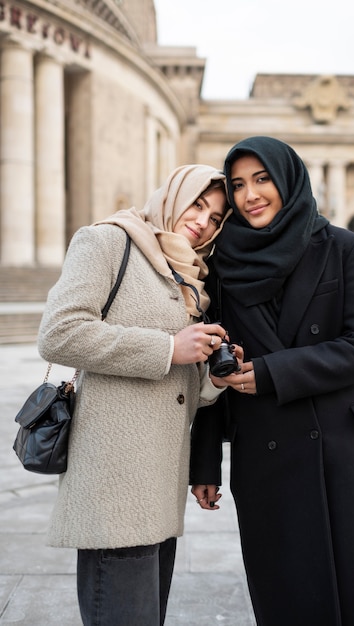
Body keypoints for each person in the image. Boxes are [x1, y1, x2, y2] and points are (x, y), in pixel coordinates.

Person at [190, 137, 354, 626]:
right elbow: (211, 361)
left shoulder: (342, 247)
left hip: (347, 447)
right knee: (290, 588)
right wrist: (204, 461)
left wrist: (274, 372)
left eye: (263, 179)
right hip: (267, 452)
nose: (251, 195)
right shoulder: (223, 265)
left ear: (287, 179)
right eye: (240, 184)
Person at [37, 164, 237, 626]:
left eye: (215, 217)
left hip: (160, 484)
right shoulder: (108, 240)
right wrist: (169, 347)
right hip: (115, 483)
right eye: (198, 204)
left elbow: (182, 387)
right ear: (172, 196)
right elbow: (59, 333)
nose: (203, 221)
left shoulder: (190, 277)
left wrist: (212, 379)